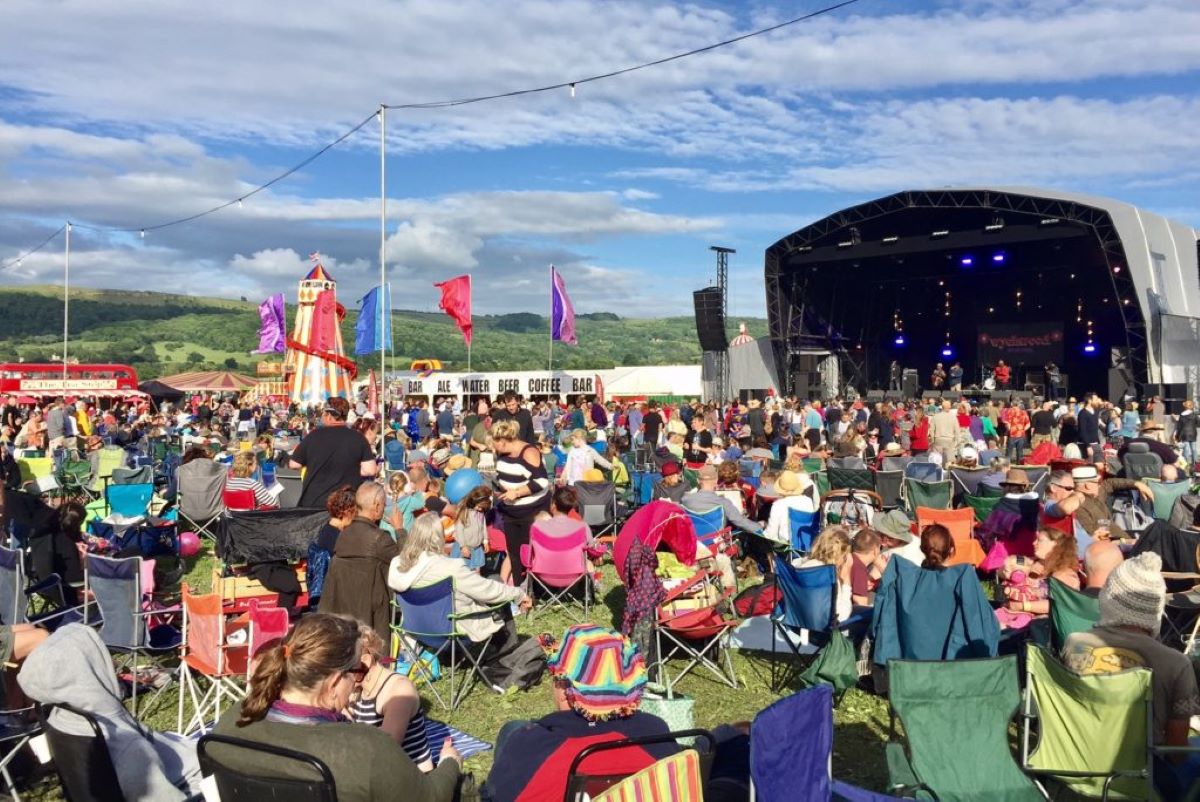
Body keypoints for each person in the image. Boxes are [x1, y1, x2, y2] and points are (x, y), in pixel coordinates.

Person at [214, 614, 462, 801]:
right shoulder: (364, 749)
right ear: (333, 683)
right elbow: (430, 798)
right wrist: (450, 764)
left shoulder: (230, 722)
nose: (357, 680)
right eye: (355, 671)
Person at [486, 624, 676, 802]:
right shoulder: (657, 732)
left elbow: (499, 794)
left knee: (511, 729)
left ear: (562, 688)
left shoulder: (534, 745)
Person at [19, 623, 199, 801]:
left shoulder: (62, 717)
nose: (112, 666)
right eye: (100, 660)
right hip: (197, 782)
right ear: (87, 672)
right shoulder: (128, 747)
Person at [1062, 553, 1200, 759]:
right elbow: (1176, 753)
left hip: (1074, 763)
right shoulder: (1176, 664)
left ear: (1107, 597)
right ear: (1156, 607)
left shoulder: (1075, 644)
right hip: (1143, 777)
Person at [390, 513, 540, 690]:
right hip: (452, 633)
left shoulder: (397, 565)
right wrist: (518, 594)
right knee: (497, 587)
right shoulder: (449, 568)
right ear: (438, 537)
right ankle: (505, 653)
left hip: (417, 631)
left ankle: (458, 657)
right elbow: (487, 591)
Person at [319, 483, 399, 643]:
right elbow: (406, 563)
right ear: (376, 506)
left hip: (345, 614)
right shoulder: (380, 539)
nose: (383, 509)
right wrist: (400, 529)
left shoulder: (343, 535)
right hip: (374, 618)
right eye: (383, 505)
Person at [350, 625, 433, 771]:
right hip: (378, 771)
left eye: (344, 667)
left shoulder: (398, 690)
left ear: (366, 661)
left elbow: (387, 746)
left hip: (412, 777)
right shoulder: (357, 687)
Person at [491, 418, 551, 586]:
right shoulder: (501, 453)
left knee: (531, 552)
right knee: (514, 552)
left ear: (503, 441)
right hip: (510, 511)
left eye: (494, 443)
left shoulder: (529, 452)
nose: (492, 447)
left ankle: (536, 588)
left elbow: (541, 482)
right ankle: (518, 590)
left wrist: (516, 492)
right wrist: (503, 490)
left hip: (532, 511)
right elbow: (506, 475)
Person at [289, 397, 377, 509]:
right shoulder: (358, 438)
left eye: (324, 414)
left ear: (329, 416)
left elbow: (294, 464)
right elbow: (370, 470)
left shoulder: (313, 436)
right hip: (345, 506)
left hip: (313, 504)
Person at [1047, 465, 1153, 541]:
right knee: (1159, 530)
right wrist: (1127, 543)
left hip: (1121, 538)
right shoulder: (1078, 505)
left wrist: (1136, 483)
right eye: (1097, 482)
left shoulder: (1096, 494)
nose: (1100, 485)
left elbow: (1109, 483)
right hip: (1115, 545)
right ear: (1087, 486)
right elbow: (1096, 537)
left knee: (1158, 530)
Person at [997, 527, 1079, 623]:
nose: (1034, 543)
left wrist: (1022, 606)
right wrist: (1013, 567)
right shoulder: (1032, 563)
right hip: (1013, 614)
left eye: (1039, 540)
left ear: (1055, 544)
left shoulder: (1065, 574)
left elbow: (1058, 605)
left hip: (1043, 625)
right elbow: (1001, 571)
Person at [307, 484, 357, 609]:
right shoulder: (336, 538)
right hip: (336, 595)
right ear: (347, 512)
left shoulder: (327, 529)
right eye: (356, 512)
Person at [795, 526, 854, 622]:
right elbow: (842, 616)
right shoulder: (830, 576)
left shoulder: (802, 566)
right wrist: (846, 581)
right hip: (822, 627)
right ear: (841, 555)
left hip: (797, 620)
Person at [763, 470, 819, 545]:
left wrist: (762, 529)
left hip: (787, 547)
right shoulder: (808, 501)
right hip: (806, 544)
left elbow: (771, 534)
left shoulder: (778, 505)